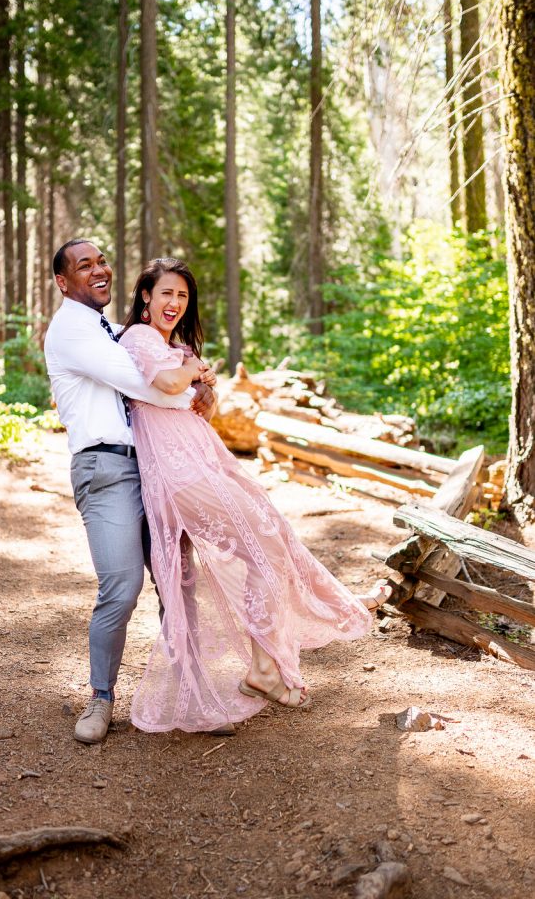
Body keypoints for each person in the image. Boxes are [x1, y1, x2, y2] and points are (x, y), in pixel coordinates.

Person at [118, 257, 376, 734]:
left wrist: (207, 395)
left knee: (272, 542)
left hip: (203, 459)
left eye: (183, 296)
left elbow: (189, 411)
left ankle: (262, 667)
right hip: (179, 473)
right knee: (263, 545)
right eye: (166, 293)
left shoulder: (172, 345)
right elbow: (169, 383)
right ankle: (262, 668)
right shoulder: (138, 339)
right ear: (145, 298)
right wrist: (193, 369)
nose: (174, 303)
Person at [44, 239, 216, 744]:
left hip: (153, 464)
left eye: (101, 261)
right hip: (107, 468)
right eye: (84, 266)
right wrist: (194, 383)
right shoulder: (71, 329)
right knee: (121, 588)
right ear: (63, 282)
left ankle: (195, 695)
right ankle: (100, 699)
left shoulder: (107, 328)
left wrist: (198, 380)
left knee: (178, 581)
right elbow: (142, 382)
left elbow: (152, 363)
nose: (98, 270)